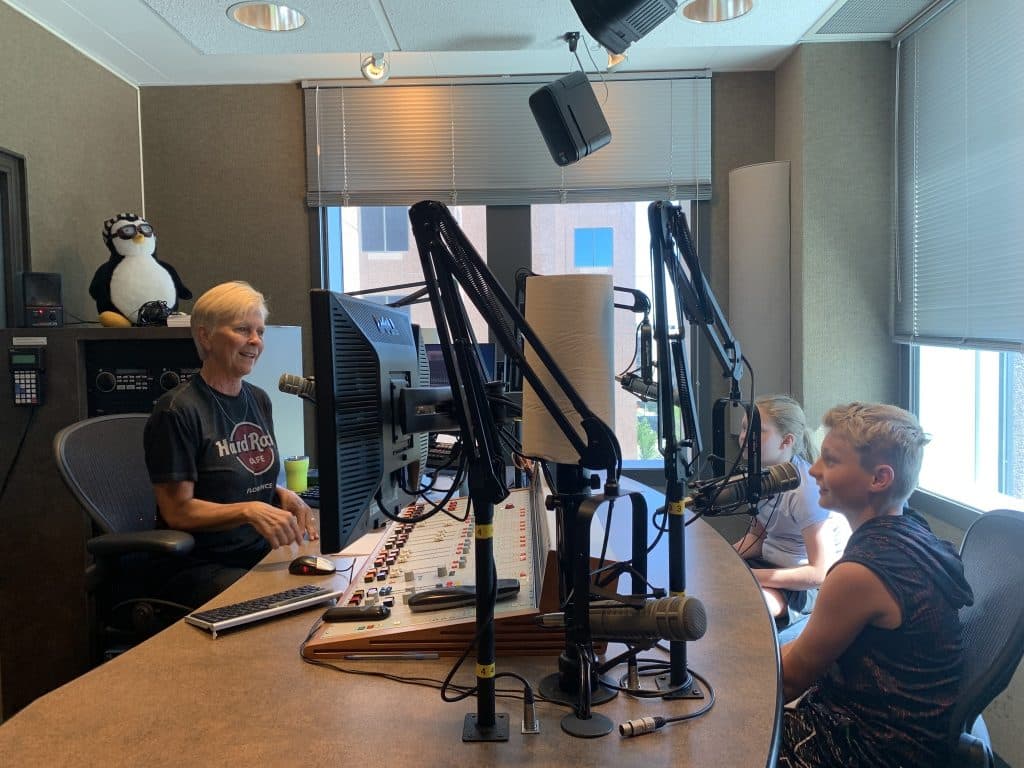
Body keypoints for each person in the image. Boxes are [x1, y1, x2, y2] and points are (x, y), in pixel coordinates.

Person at [779, 402, 974, 768]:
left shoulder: (859, 574)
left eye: (831, 461)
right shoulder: (911, 527)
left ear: (879, 479)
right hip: (907, 731)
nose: (815, 471)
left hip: (875, 750)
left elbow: (789, 681)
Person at [144, 280, 317, 607]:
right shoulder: (176, 411)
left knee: (329, 582)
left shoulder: (258, 400)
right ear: (205, 336)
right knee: (283, 605)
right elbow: (178, 512)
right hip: (201, 565)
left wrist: (282, 494)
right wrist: (250, 510)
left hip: (257, 552)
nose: (255, 341)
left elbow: (239, 478)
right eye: (242, 329)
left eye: (260, 332)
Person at [733, 395, 850, 628]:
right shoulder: (760, 477)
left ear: (786, 441)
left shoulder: (805, 492)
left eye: (757, 430)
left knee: (746, 604)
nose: (745, 436)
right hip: (771, 566)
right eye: (744, 428)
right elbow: (758, 536)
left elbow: (820, 572)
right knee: (715, 584)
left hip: (808, 583)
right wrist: (724, 556)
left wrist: (752, 577)